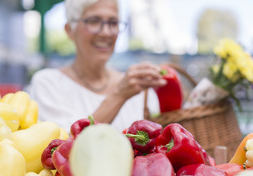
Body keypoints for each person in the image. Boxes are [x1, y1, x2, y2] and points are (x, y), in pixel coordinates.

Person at [28, 0, 166, 132]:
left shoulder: (140, 91)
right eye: (93, 21)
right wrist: (119, 96)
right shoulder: (48, 84)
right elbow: (62, 150)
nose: (106, 32)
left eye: (113, 22)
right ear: (69, 30)